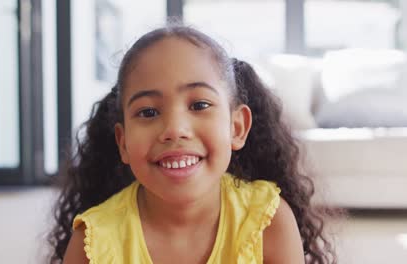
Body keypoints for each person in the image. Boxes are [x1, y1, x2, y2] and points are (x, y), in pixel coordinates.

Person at [48, 23, 338, 264]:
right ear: (123, 143)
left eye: (199, 104)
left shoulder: (268, 220)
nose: (175, 129)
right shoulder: (92, 241)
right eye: (148, 112)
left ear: (236, 127)